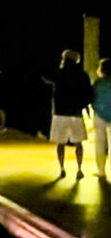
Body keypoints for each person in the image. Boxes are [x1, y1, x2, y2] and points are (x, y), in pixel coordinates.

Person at [44, 49, 93, 179]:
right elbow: (89, 94)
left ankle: (62, 169)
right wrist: (83, 106)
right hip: (76, 114)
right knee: (78, 143)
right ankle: (79, 169)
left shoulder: (59, 74)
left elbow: (44, 76)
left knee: (60, 144)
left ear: (65, 60)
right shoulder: (83, 75)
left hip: (60, 113)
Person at [91, 57, 111, 180]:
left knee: (100, 143)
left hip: (99, 116)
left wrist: (95, 108)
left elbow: (91, 97)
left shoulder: (98, 82)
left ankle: (101, 170)